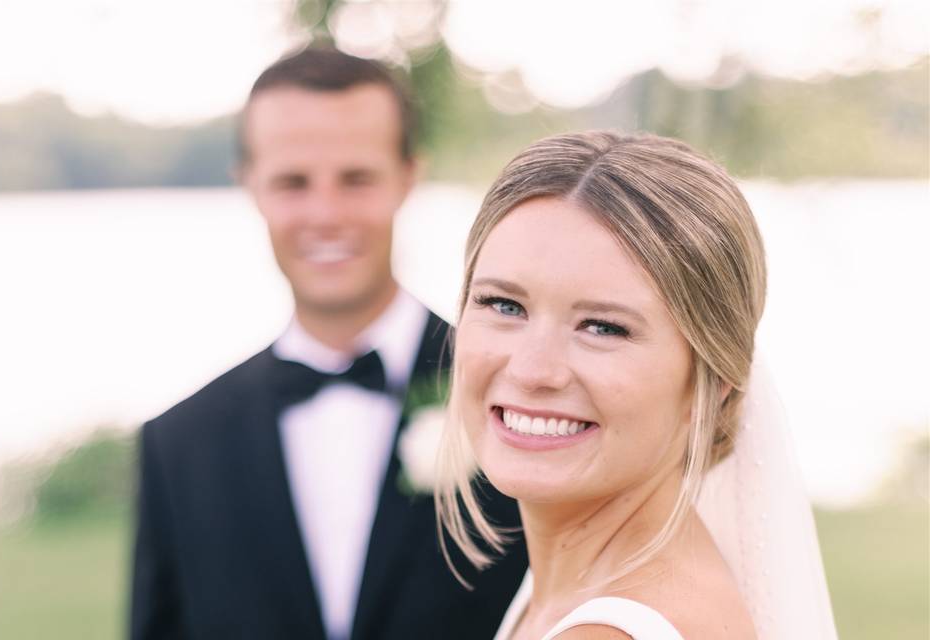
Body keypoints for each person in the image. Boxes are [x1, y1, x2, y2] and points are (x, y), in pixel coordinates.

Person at [130, 45, 527, 640]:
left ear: (408, 178)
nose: (326, 213)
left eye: (356, 178)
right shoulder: (178, 443)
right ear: (251, 187)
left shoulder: (517, 396)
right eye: (293, 183)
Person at [435, 130, 838, 639]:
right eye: (504, 305)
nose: (532, 371)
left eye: (604, 327)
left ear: (714, 383)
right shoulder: (588, 589)